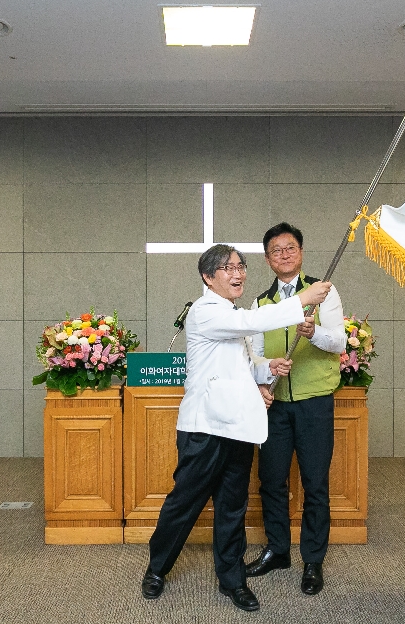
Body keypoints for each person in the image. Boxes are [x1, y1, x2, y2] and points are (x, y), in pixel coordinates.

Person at [141, 244, 332, 613]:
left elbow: (241, 365)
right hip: (205, 427)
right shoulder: (205, 311)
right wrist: (302, 298)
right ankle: (157, 568)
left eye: (240, 266)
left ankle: (232, 580)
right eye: (227, 268)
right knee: (185, 504)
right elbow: (251, 322)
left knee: (232, 509)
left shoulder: (230, 313)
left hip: (238, 428)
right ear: (207, 277)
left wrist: (266, 368)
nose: (238, 273)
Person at [245, 222, 345, 596]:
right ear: (268, 259)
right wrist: (261, 379)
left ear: (300, 253)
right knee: (271, 480)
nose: (283, 255)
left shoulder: (323, 293)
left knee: (315, 483)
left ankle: (314, 560)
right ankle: (278, 550)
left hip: (314, 401)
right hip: (274, 404)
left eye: (290, 248)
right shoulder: (261, 303)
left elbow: (338, 342)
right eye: (276, 250)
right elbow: (252, 353)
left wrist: (313, 333)